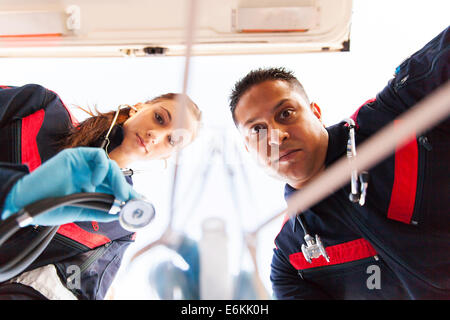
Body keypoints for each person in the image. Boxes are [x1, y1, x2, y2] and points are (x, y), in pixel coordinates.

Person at [229, 27, 449, 299]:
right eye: (258, 130)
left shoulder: (396, 115)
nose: (277, 136)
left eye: (286, 113)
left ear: (316, 112)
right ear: (248, 148)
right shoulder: (292, 259)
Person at [0, 83, 202, 299]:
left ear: (166, 157)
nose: (156, 135)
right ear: (137, 108)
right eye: (160, 118)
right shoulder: (40, 108)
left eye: (171, 140)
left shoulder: (119, 227)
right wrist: (14, 191)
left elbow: (66, 291)